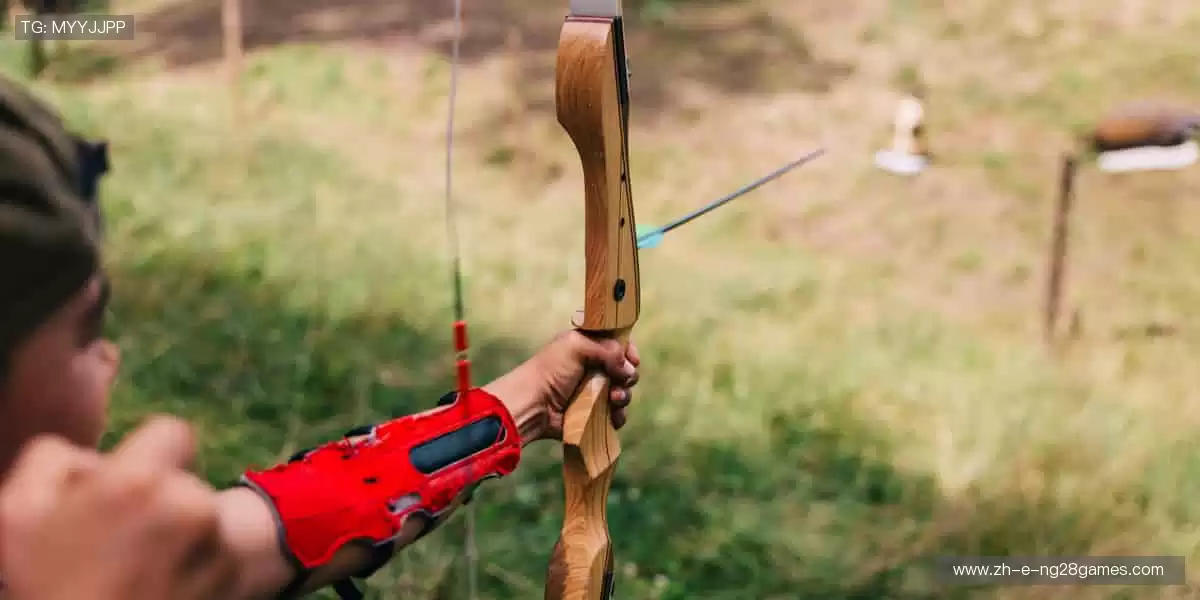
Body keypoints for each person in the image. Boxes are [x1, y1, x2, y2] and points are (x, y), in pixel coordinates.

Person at [0, 75, 642, 600]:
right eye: (85, 334)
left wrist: (525, 401)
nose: (109, 357)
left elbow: (302, 519)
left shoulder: (67, 546)